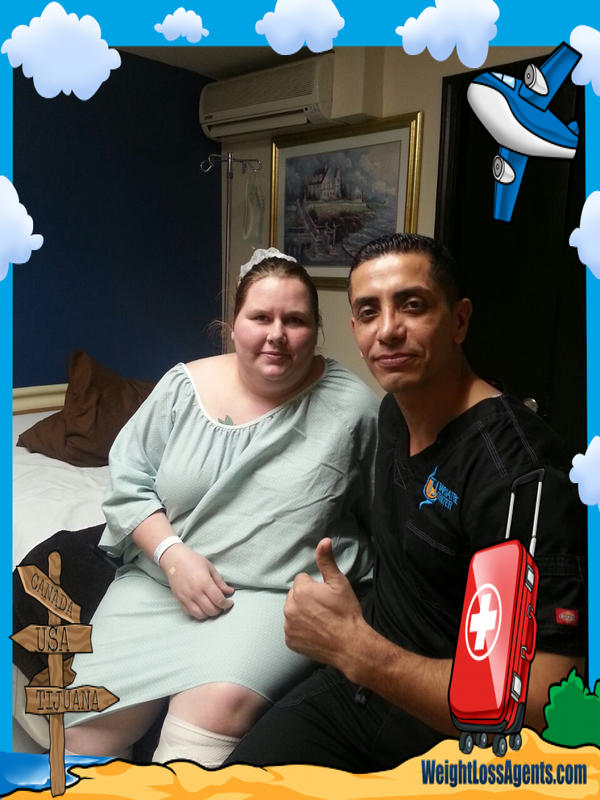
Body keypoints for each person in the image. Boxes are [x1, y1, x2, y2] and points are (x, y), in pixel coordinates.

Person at [226, 233, 587, 772]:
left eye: (412, 305)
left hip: (455, 741)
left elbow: (536, 702)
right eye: (369, 312)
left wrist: (355, 650)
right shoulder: (393, 413)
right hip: (362, 689)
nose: (388, 329)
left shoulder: (514, 473)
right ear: (355, 329)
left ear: (459, 321)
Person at [62, 248, 379, 766]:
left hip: (272, 595)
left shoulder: (355, 410)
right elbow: (128, 482)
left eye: (295, 320)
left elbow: (382, 516)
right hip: (161, 582)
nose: (277, 334)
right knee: (84, 732)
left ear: (317, 330)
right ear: (233, 326)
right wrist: (172, 556)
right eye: (261, 317)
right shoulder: (182, 388)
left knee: (203, 725)